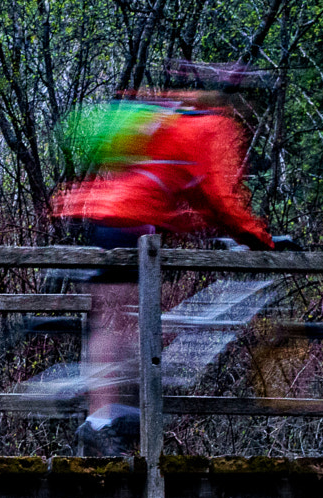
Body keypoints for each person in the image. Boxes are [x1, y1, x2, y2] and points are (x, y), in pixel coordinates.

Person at [51, 64, 279, 457]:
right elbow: (218, 195)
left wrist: (200, 225)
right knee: (124, 322)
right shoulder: (211, 127)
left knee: (116, 320)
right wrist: (260, 239)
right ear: (238, 101)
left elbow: (170, 183)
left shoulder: (169, 114)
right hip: (136, 226)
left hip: (109, 218)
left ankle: (108, 414)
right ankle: (104, 416)